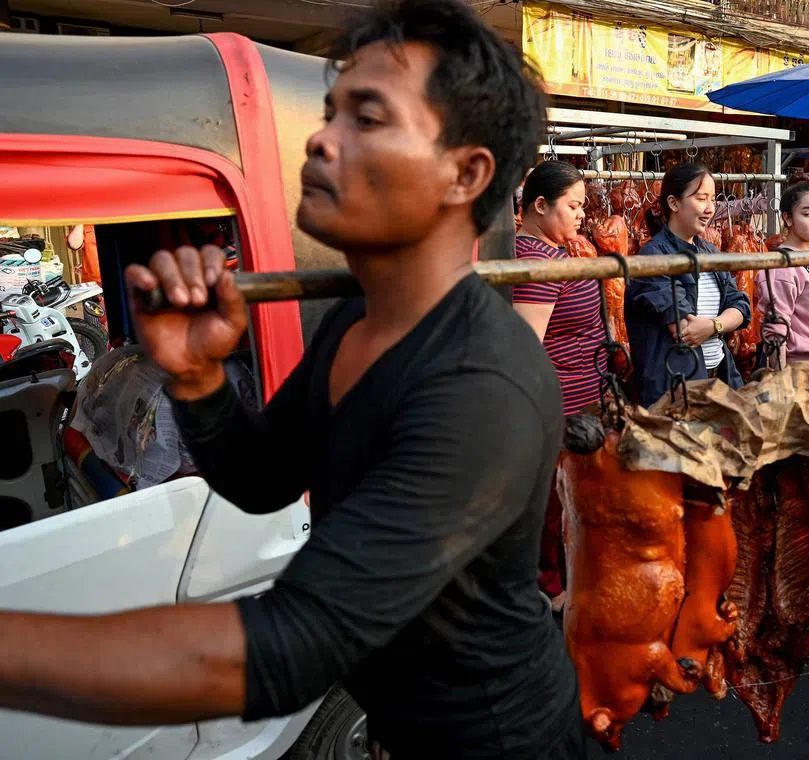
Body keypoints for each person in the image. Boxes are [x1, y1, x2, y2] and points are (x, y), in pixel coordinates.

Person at [0, 2, 585, 759]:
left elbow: (286, 649)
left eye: (366, 118)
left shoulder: (482, 386)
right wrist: (199, 375)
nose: (321, 138)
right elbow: (263, 478)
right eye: (330, 111)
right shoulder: (356, 319)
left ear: (464, 173)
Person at [511, 160, 605, 614]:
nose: (582, 214)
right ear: (540, 205)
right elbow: (526, 345)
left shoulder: (551, 252)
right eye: (574, 205)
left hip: (578, 399)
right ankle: (551, 590)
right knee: (554, 502)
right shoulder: (537, 262)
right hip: (558, 403)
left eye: (583, 205)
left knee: (567, 499)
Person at [625, 162, 751, 406]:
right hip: (675, 386)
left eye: (712, 199)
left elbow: (741, 307)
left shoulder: (710, 252)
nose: (710, 208)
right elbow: (685, 330)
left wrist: (714, 324)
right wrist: (724, 322)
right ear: (673, 203)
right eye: (701, 198)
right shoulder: (654, 256)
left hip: (719, 379)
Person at [754, 182, 809, 368]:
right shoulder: (781, 267)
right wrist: (781, 381)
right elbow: (776, 331)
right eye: (807, 214)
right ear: (788, 218)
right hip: (798, 368)